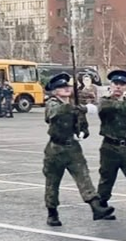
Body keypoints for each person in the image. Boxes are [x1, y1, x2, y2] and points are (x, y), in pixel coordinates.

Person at [41, 72, 116, 227]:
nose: (66, 89)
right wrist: (82, 108)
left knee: (84, 178)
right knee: (53, 182)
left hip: (73, 148)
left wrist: (82, 132)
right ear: (54, 91)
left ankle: (96, 208)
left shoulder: (73, 105)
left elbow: (83, 125)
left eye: (67, 86)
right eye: (62, 87)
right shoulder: (52, 103)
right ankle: (52, 213)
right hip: (56, 149)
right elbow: (55, 113)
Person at [95, 69, 126, 215]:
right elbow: (113, 108)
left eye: (122, 84)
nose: (118, 87)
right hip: (110, 146)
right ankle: (101, 205)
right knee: (107, 178)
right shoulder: (105, 101)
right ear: (111, 85)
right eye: (116, 83)